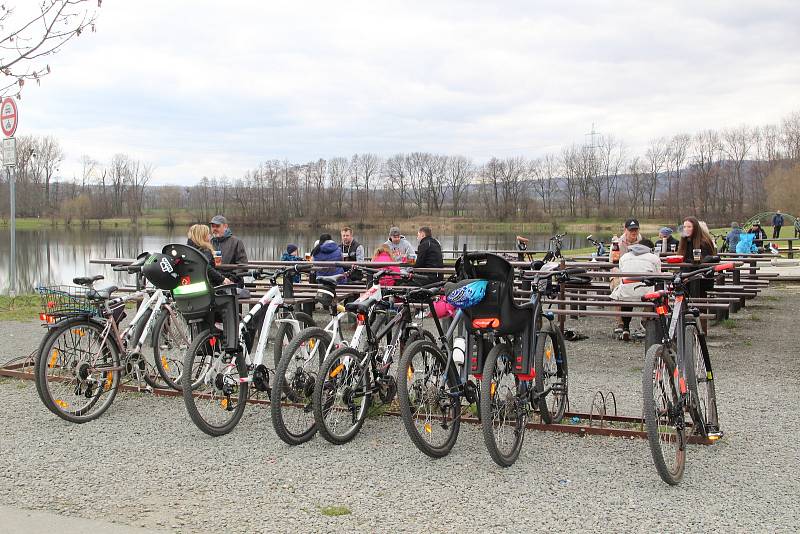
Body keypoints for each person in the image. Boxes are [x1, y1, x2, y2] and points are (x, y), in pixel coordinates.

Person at [610, 239, 661, 341]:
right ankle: (645, 322)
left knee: (627, 293)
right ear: (651, 249)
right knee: (655, 292)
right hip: (645, 294)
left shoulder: (624, 257)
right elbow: (658, 276)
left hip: (627, 293)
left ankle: (625, 328)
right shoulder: (654, 258)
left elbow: (621, 273)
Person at [677, 216, 717, 299]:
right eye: (684, 227)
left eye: (689, 227)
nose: (686, 229)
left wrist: (687, 275)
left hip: (702, 278)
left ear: (695, 228)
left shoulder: (703, 242)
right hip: (688, 276)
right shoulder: (685, 241)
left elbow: (703, 263)